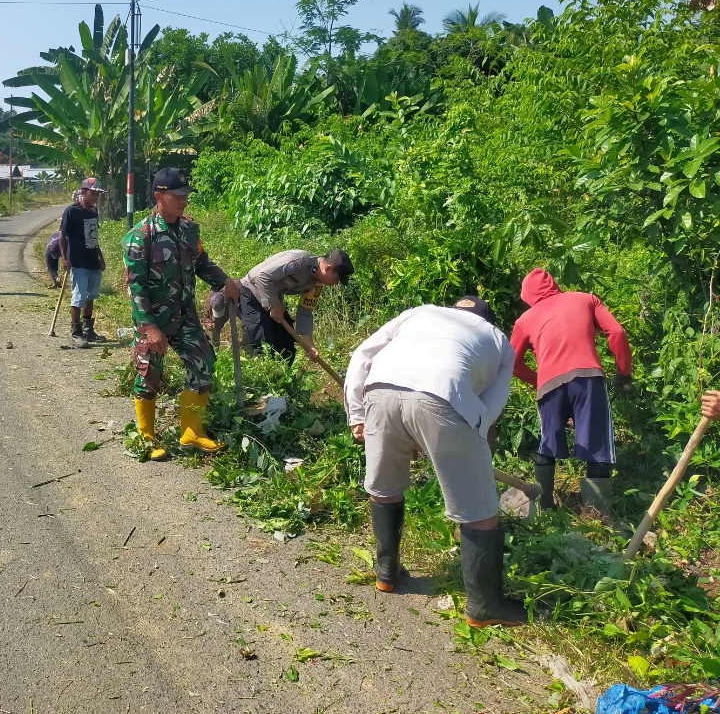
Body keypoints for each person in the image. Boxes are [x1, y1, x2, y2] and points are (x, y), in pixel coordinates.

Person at [345, 296, 526, 627]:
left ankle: (386, 572)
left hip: (380, 391)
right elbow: (493, 403)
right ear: (488, 319)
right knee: (480, 512)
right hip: (445, 395)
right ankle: (484, 606)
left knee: (384, 486)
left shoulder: (418, 313)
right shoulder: (498, 339)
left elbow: (362, 356)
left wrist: (356, 414)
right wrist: (467, 441)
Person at [122, 168, 240, 461]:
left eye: (186, 195)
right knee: (149, 375)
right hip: (153, 319)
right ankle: (146, 438)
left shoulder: (190, 230)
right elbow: (135, 287)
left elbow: (201, 262)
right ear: (159, 196)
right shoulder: (140, 236)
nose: (183, 201)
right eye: (177, 195)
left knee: (203, 363)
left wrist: (224, 281)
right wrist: (149, 327)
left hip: (185, 315)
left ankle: (192, 431)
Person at [509, 269, 632, 517]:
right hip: (588, 379)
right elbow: (616, 332)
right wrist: (624, 373)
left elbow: (512, 363)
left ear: (526, 296)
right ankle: (597, 515)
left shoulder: (525, 320)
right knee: (598, 446)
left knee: (547, 444)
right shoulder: (585, 299)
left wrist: (538, 378)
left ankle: (544, 509)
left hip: (548, 387)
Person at [239, 248, 354, 362]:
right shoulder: (299, 262)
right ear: (328, 268)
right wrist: (274, 305)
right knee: (264, 345)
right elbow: (263, 276)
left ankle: (282, 379)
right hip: (251, 291)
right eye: (336, 279)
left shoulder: (317, 284)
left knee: (287, 348)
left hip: (274, 299)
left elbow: (305, 311)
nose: (335, 283)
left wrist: (309, 345)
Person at [60, 178, 106, 346]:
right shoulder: (72, 211)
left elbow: (94, 237)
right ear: (83, 191)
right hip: (78, 260)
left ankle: (88, 330)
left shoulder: (94, 211)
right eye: (93, 193)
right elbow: (62, 235)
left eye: (98, 194)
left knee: (91, 295)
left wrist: (100, 257)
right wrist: (64, 257)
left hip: (93, 259)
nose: (95, 196)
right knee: (79, 296)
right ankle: (76, 333)